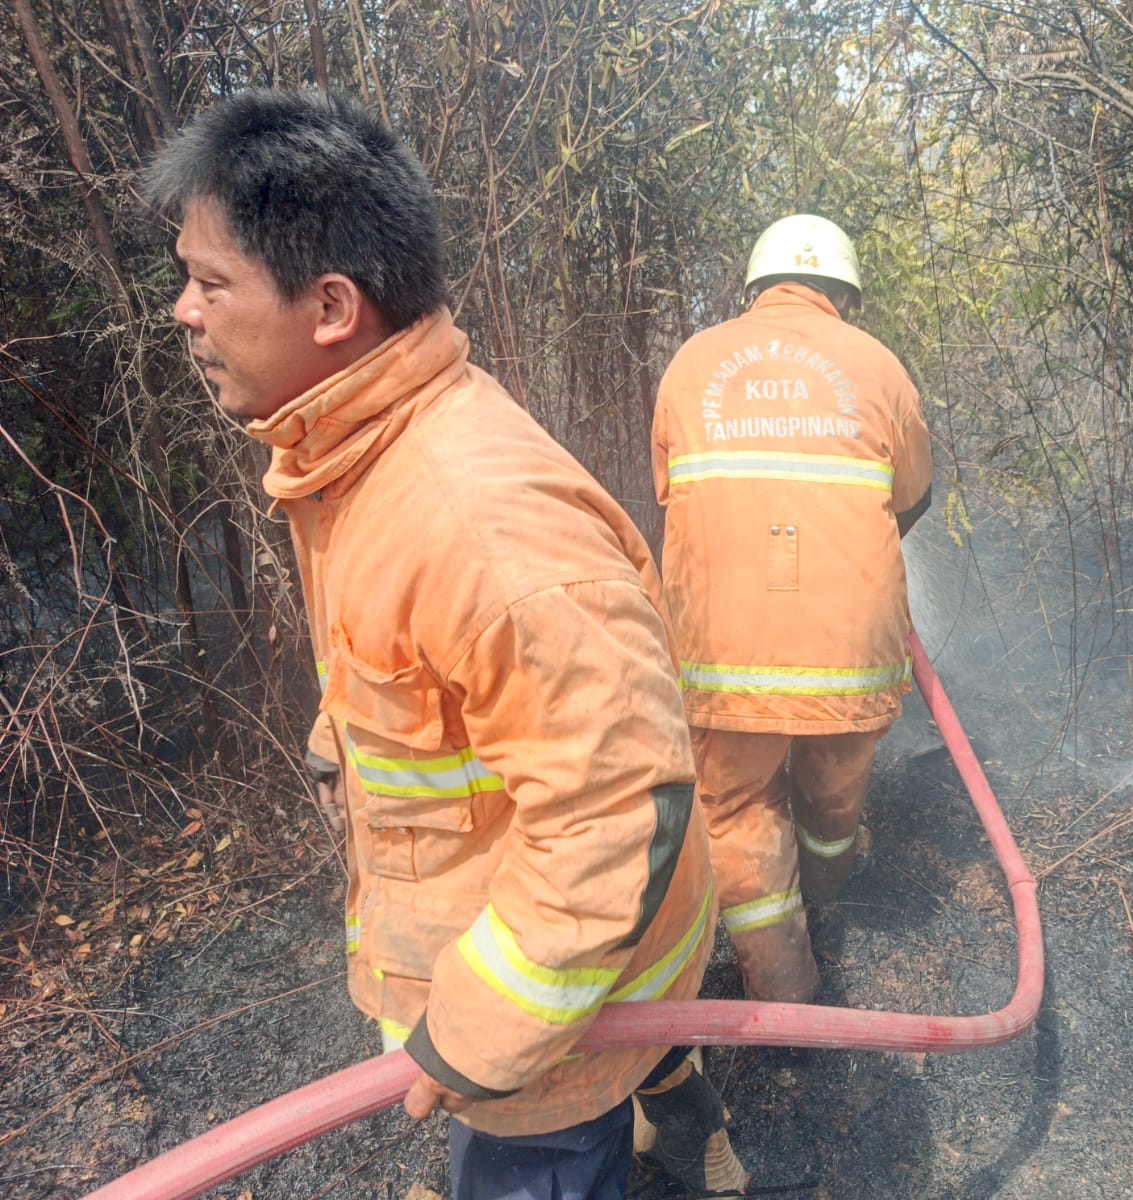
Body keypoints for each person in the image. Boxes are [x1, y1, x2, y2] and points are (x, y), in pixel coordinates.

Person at [144, 88, 745, 1199]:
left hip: (553, 1029)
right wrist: (347, 740)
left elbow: (618, 809)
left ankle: (656, 1131)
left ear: (332, 306)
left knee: (543, 1158)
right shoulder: (357, 458)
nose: (184, 311)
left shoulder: (479, 525)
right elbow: (419, 665)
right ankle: (685, 1123)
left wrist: (477, 1035)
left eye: (210, 283)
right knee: (638, 1072)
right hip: (578, 977)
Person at [650, 214, 933, 1004]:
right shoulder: (878, 365)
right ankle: (831, 893)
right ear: (844, 293)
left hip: (722, 657)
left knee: (738, 810)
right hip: (849, 657)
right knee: (833, 796)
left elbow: (671, 490)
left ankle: (784, 988)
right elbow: (912, 494)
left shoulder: (693, 363)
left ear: (755, 287)